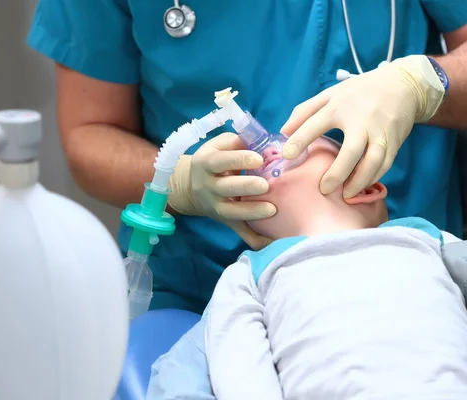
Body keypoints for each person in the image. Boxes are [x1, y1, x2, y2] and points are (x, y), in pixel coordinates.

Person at [27, 1, 467, 313]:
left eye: (295, 155)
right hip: (194, 287)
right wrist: (177, 183)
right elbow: (89, 134)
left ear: (367, 186)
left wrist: (423, 83)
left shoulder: (429, 249)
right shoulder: (243, 289)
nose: (270, 146)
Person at [147, 137, 467, 399]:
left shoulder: (424, 238)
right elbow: (237, 366)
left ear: (366, 188)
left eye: (303, 145)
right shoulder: (251, 274)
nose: (269, 149)